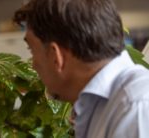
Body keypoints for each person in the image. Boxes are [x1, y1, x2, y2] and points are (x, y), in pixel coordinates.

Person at [13, 0, 149, 137]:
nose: (33, 65)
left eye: (32, 50)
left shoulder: (135, 108)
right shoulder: (102, 105)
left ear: (56, 56)